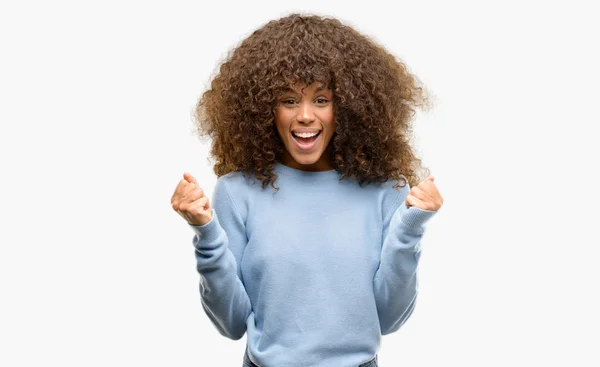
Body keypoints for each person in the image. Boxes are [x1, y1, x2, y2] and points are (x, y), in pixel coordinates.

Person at [170, 13, 443, 367]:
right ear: (264, 110)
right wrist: (205, 233)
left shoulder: (385, 191)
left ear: (346, 107)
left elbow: (389, 318)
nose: (304, 116)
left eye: (320, 100)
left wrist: (410, 228)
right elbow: (232, 323)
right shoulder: (237, 192)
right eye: (288, 100)